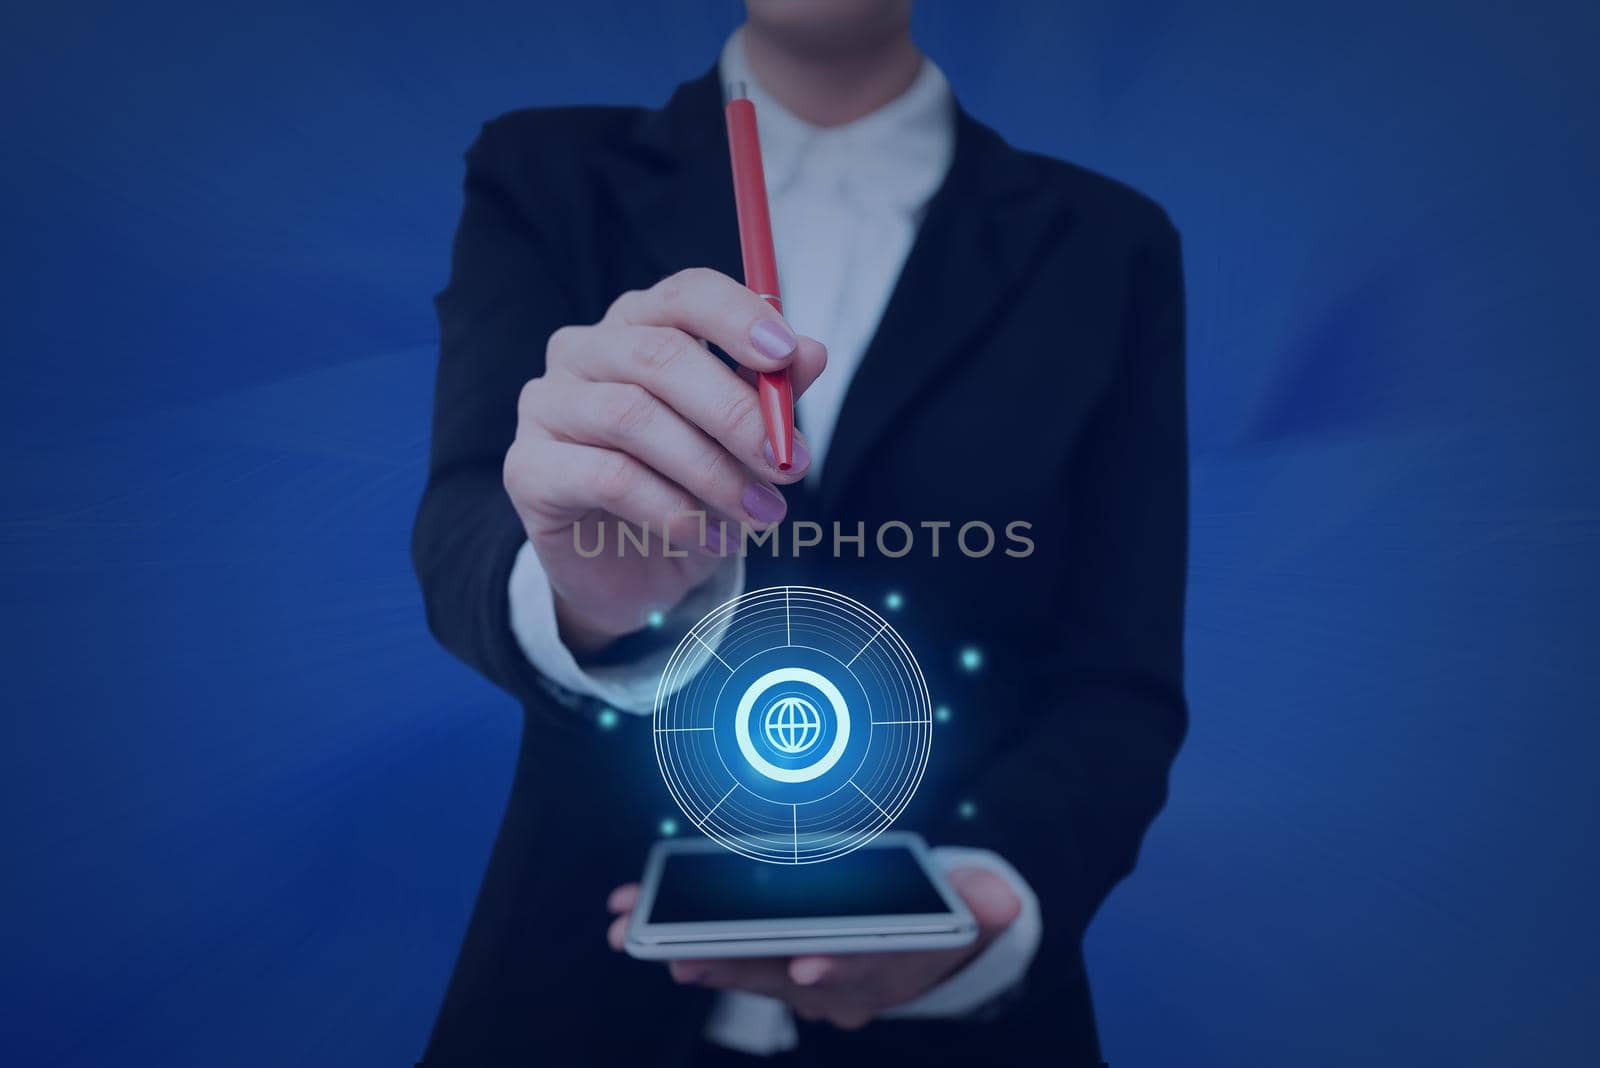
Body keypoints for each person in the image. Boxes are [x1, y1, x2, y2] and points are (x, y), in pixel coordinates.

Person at [412, 1, 1187, 1064]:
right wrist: (592, 595)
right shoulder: (545, 171)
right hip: (572, 1004)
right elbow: (462, 515)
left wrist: (991, 903)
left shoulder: (1108, 243)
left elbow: (1118, 672)